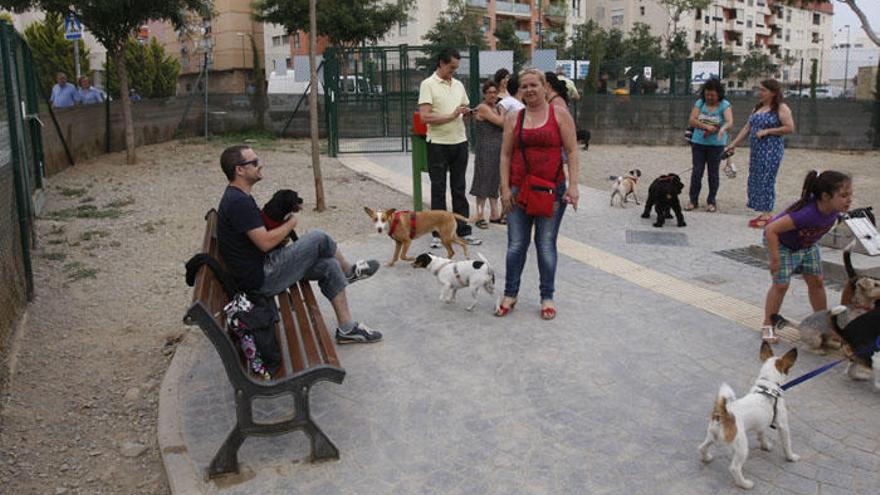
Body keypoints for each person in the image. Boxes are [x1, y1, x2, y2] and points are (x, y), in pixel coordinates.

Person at [216, 145, 383, 344]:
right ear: (239, 170)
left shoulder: (239, 197)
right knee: (318, 236)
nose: (261, 165)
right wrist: (290, 223)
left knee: (329, 265)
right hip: (262, 277)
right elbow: (265, 243)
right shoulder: (238, 202)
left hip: (261, 268)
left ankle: (347, 328)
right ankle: (349, 271)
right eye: (254, 162)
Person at [497, 69, 580, 320]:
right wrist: (503, 188)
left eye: (534, 85)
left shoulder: (560, 114)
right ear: (519, 90)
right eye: (524, 86)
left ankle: (547, 296)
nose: (530, 90)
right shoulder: (514, 117)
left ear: (545, 87)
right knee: (516, 245)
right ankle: (510, 294)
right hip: (518, 189)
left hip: (552, 190)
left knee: (545, 245)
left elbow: (573, 151)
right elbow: (506, 155)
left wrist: (574, 186)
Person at [760, 170, 852, 343]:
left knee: (817, 281)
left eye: (850, 195)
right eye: (844, 195)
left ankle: (823, 324)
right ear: (825, 196)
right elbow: (770, 229)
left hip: (807, 244)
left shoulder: (834, 209)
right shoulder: (807, 213)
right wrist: (775, 259)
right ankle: (768, 325)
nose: (849, 199)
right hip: (782, 244)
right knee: (781, 285)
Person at [418, 48, 481, 248]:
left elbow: (462, 110)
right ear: (441, 63)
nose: (453, 71)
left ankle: (464, 230)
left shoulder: (459, 85)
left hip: (459, 142)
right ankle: (437, 233)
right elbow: (425, 116)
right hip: (437, 144)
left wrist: (468, 113)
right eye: (451, 67)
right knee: (438, 189)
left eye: (456, 68)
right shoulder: (428, 84)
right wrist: (452, 116)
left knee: (459, 188)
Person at [726, 79, 795, 228]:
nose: (760, 93)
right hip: (757, 150)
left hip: (771, 150)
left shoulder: (781, 108)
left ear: (773, 92)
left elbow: (789, 127)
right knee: (756, 177)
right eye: (760, 89)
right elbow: (747, 127)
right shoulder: (758, 107)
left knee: (767, 179)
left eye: (763, 90)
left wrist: (769, 131)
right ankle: (763, 211)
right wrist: (733, 144)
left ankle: (768, 213)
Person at [686, 78, 733, 213]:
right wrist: (705, 126)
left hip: (716, 144)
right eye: (707, 94)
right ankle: (693, 200)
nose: (709, 97)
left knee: (713, 173)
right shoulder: (700, 103)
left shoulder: (725, 105)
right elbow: (692, 119)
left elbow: (729, 121)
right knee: (697, 171)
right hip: (698, 142)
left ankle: (711, 201)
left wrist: (723, 129)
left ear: (718, 94)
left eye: (712, 95)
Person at [470, 80, 506, 229]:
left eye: (494, 92)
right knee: (482, 182)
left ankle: (494, 214)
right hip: (485, 149)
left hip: (498, 149)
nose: (492, 95)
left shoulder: (496, 107)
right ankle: (479, 215)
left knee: (494, 181)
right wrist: (504, 111)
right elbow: (501, 123)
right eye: (489, 92)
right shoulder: (483, 108)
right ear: (484, 94)